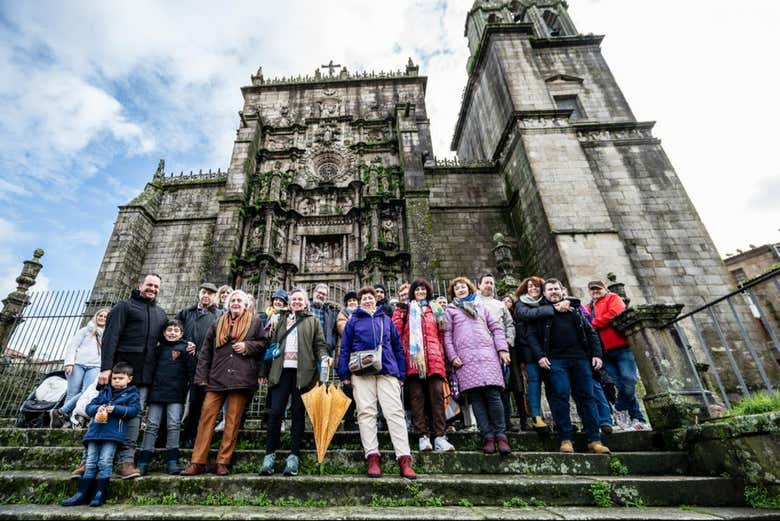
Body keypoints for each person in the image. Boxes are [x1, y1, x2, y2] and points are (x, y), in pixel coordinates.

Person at [180, 290, 267, 476]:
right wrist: (202, 377)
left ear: (245, 305)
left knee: (232, 421)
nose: (235, 303)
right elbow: (205, 352)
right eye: (232, 300)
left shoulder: (255, 322)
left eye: (239, 300)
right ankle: (198, 461)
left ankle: (223, 461)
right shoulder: (217, 322)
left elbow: (263, 344)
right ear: (228, 303)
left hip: (241, 377)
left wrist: (247, 346)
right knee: (206, 419)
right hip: (216, 377)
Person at [338, 287, 416, 479]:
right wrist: (344, 373)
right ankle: (372, 457)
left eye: (370, 298)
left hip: (387, 370)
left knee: (395, 413)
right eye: (364, 298)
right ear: (359, 301)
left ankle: (404, 459)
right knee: (366, 413)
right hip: (361, 372)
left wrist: (401, 374)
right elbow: (345, 347)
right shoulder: (352, 321)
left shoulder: (386, 320)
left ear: (376, 301)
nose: (368, 301)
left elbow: (398, 347)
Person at [525, 279, 610, 454]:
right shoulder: (541, 312)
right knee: (560, 396)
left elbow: (590, 332)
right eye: (550, 289)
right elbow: (531, 336)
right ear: (545, 293)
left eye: (556, 288)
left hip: (580, 359)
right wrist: (540, 356)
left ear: (562, 290)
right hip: (555, 360)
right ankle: (566, 439)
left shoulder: (575, 309)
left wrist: (596, 354)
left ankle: (594, 440)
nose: (553, 292)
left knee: (587, 397)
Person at [99, 273, 167, 479]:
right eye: (149, 285)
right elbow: (110, 338)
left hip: (145, 375)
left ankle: (126, 462)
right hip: (119, 373)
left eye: (156, 286)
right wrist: (106, 368)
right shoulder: (123, 307)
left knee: (135, 415)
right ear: (140, 285)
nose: (152, 289)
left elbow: (166, 341)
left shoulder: (161, 314)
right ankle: (92, 461)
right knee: (106, 413)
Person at [259, 289, 329, 477]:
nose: (297, 302)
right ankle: (269, 456)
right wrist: (263, 371)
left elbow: (320, 345)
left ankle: (293, 456)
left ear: (306, 303)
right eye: (294, 299)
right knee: (275, 414)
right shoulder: (279, 319)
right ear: (289, 303)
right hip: (280, 371)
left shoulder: (312, 321)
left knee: (297, 415)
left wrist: (324, 358)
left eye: (300, 299)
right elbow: (271, 344)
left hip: (303, 374)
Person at [444, 277, 512, 455]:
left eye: (463, 287)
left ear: (470, 289)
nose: (460, 289)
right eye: (457, 288)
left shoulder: (482, 307)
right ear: (453, 292)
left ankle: (501, 435)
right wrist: (452, 356)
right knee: (476, 400)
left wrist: (502, 349)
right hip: (466, 359)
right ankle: (488, 436)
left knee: (493, 395)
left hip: (487, 355)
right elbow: (447, 336)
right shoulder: (451, 310)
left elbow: (496, 328)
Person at [61, 362, 141, 507]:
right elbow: (89, 407)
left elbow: (134, 411)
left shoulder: (132, 394)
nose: (116, 381)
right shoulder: (104, 391)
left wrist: (115, 409)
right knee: (90, 463)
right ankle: (82, 493)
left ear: (129, 379)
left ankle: (100, 493)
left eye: (120, 378)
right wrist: (98, 408)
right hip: (95, 432)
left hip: (112, 434)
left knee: (105, 461)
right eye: (114, 378)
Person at [392, 278, 454, 452]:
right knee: (417, 397)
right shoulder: (403, 309)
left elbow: (442, 335)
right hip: (413, 360)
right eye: (417, 289)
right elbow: (395, 335)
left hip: (434, 359)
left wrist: (441, 354)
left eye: (423, 289)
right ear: (413, 292)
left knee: (437, 396)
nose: (420, 292)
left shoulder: (436, 309)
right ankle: (423, 436)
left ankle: (440, 436)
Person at [588, 280, 650, 431]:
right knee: (621, 385)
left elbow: (614, 314)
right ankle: (638, 419)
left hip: (622, 347)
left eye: (598, 288)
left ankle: (618, 407)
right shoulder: (588, 306)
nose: (595, 291)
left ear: (604, 289)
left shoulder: (613, 298)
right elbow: (584, 322)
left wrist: (594, 322)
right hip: (603, 352)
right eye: (592, 289)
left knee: (629, 380)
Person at [137, 320, 188, 476]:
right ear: (164, 332)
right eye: (169, 330)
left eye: (176, 330)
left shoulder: (185, 348)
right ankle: (143, 461)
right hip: (157, 393)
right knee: (151, 426)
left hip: (176, 393)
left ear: (181, 334)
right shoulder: (157, 350)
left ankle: (172, 461)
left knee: (174, 425)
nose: (172, 333)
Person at [476, 273, 525, 432]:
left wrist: (508, 343)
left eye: (491, 283)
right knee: (484, 388)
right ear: (479, 285)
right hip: (481, 350)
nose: (489, 285)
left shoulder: (500, 304)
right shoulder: (473, 303)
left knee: (503, 387)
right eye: (486, 282)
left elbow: (509, 325)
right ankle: (488, 423)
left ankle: (506, 421)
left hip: (500, 350)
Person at [177, 283, 223, 449]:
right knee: (177, 400)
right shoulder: (185, 312)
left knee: (197, 402)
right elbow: (174, 332)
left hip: (204, 364)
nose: (206, 296)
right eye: (204, 292)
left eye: (210, 293)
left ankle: (190, 435)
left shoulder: (219, 315)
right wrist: (184, 344)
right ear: (199, 293)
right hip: (182, 362)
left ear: (215, 297)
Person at [51, 308, 109, 428]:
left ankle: (61, 412)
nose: (102, 318)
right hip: (77, 364)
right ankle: (65, 420)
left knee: (86, 391)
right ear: (96, 316)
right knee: (72, 392)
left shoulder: (108, 334)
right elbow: (73, 346)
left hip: (95, 366)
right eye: (100, 315)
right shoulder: (85, 330)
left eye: (105, 316)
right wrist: (69, 363)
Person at [514, 276, 553, 433]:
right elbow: (526, 315)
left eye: (536, 286)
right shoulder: (521, 303)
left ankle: (556, 417)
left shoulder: (546, 301)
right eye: (530, 286)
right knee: (534, 383)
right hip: (529, 350)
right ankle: (536, 417)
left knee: (553, 384)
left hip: (549, 349)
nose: (533, 289)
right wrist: (550, 310)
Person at [336, 291, 359, 431]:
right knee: (348, 391)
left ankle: (354, 420)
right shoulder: (342, 315)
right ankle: (348, 421)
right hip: (347, 357)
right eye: (350, 301)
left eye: (354, 301)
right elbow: (344, 330)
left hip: (360, 358)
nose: (352, 303)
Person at [310, 283, 339, 357]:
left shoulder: (330, 313)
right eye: (319, 292)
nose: (321, 295)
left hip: (323, 351)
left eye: (324, 294)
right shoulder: (305, 308)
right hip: (307, 349)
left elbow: (334, 332)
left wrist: (330, 344)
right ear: (314, 293)